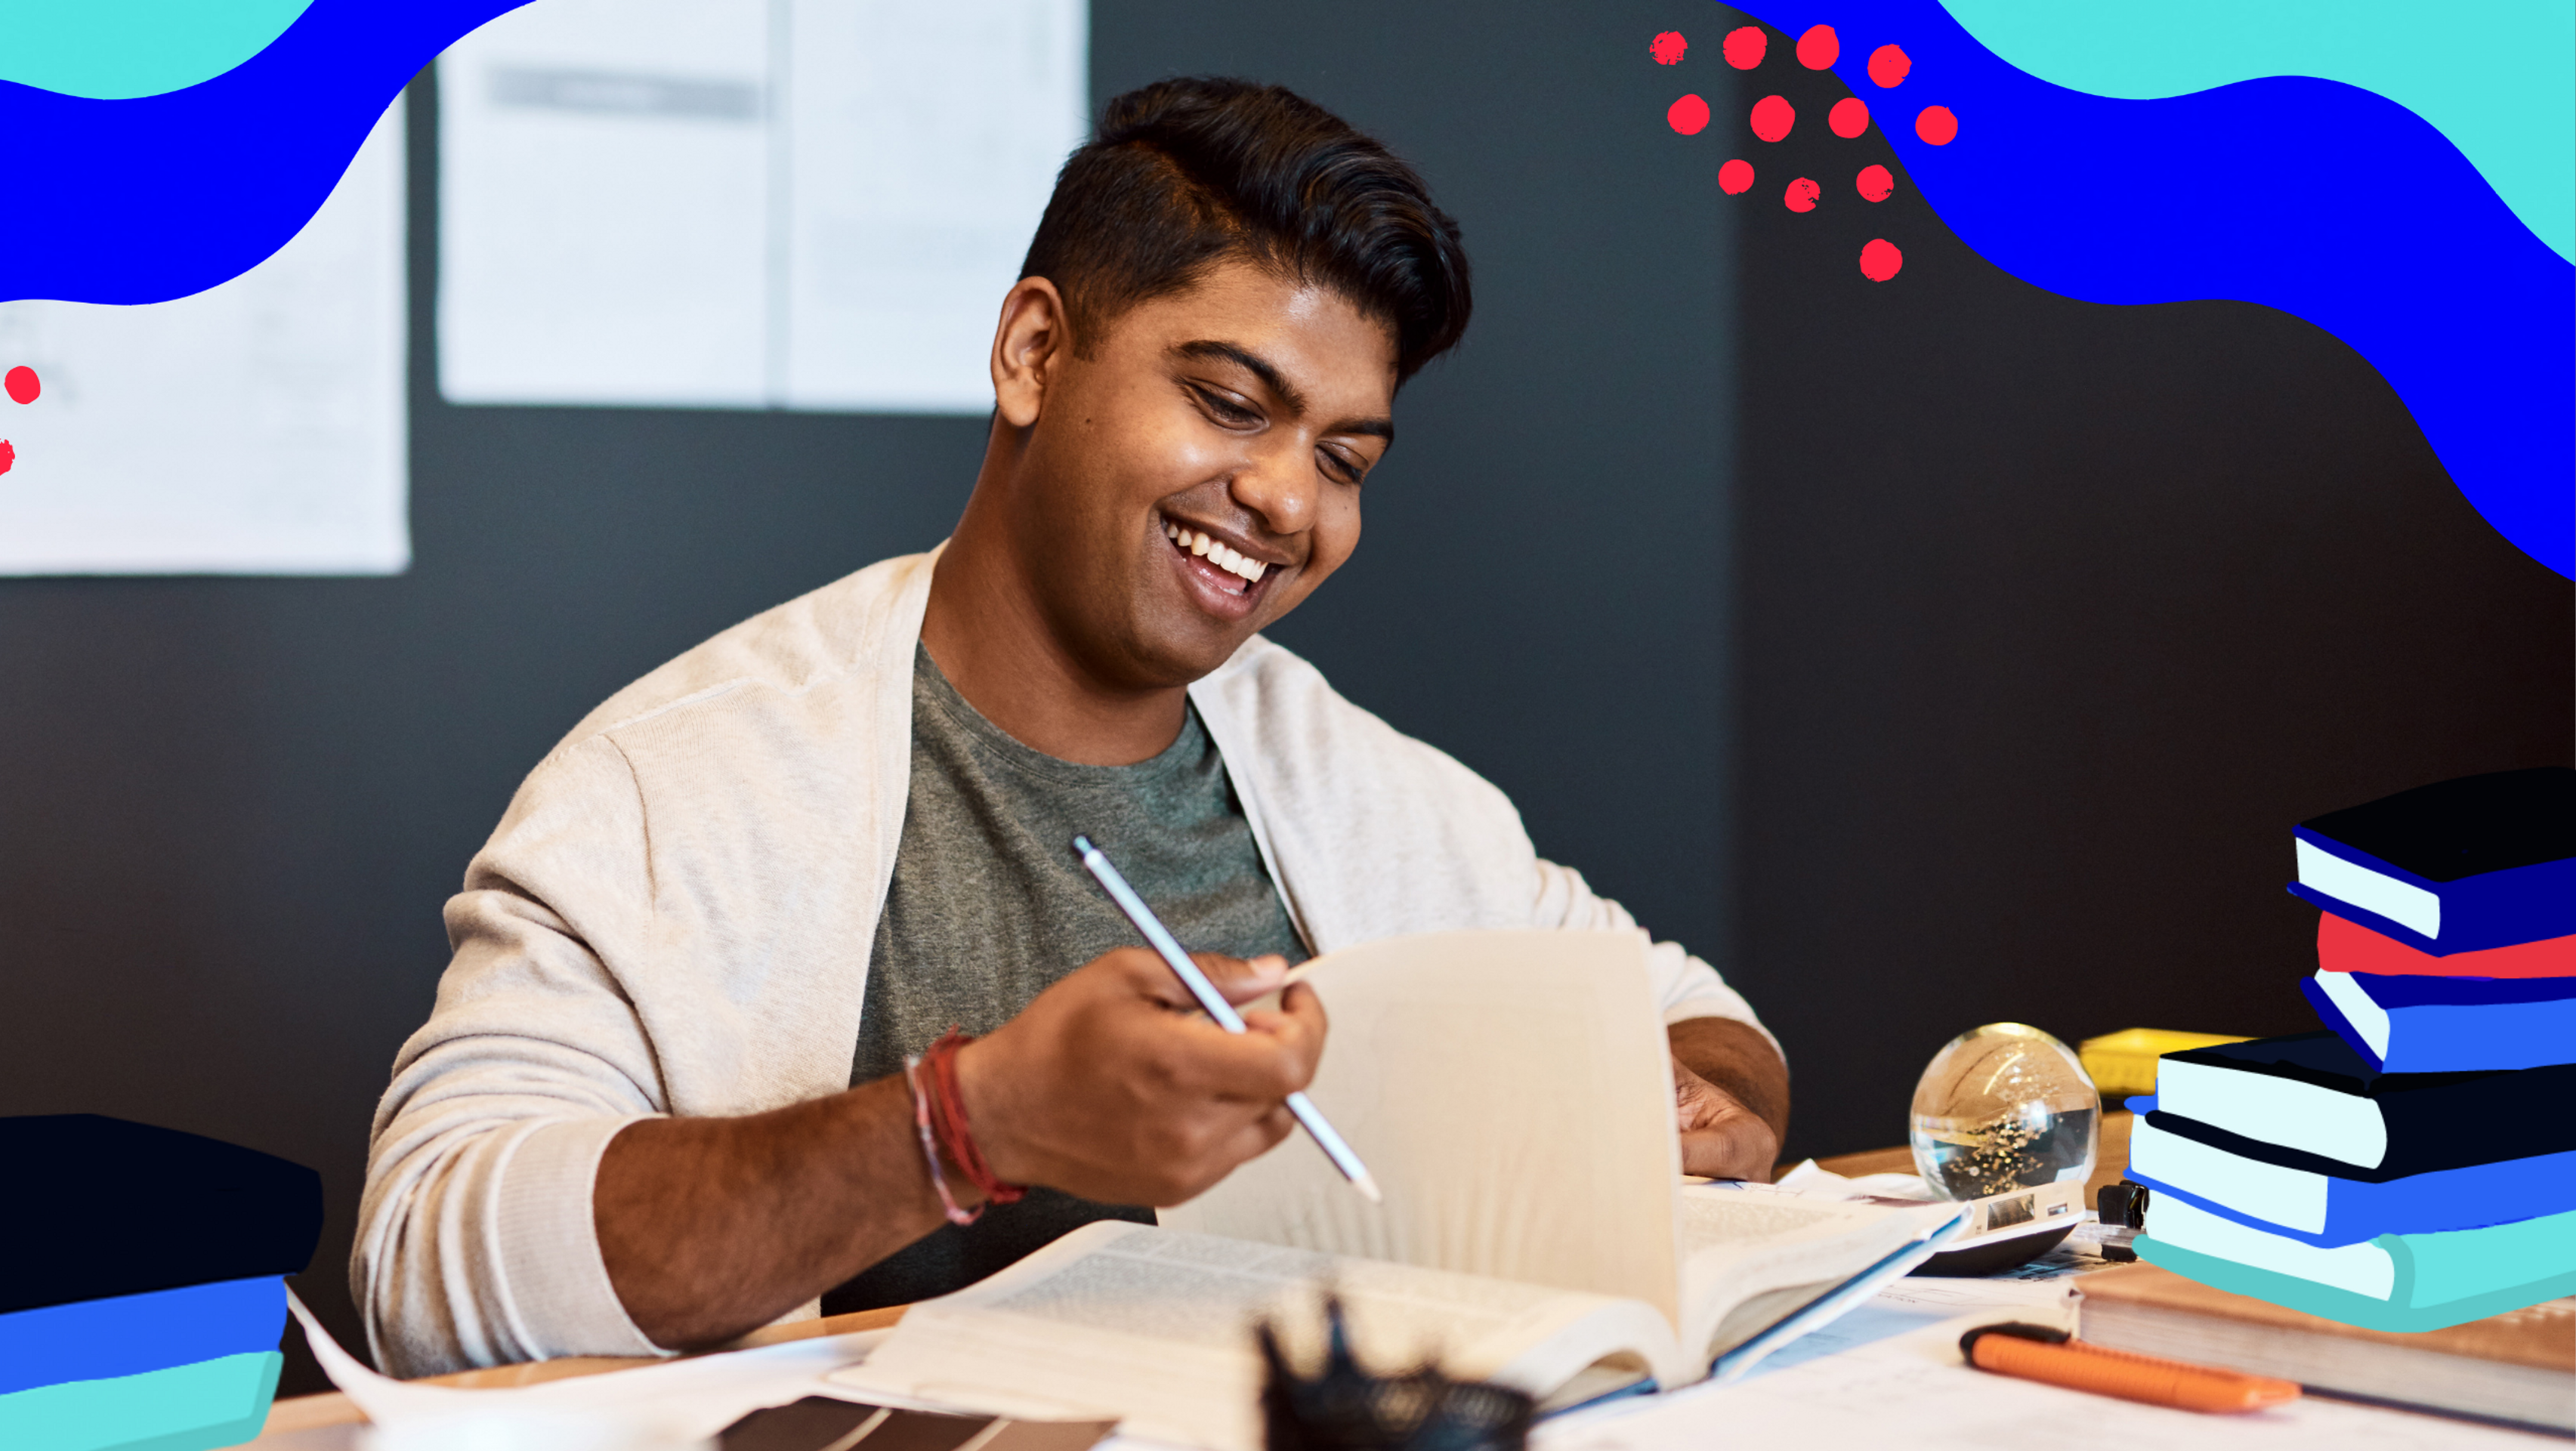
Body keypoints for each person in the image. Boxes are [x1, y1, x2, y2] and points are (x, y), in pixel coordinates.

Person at [355, 76, 1788, 1377]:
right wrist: (965, 1126)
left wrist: (1689, 1099)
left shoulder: (1354, 785)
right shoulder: (678, 782)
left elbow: (1696, 1020)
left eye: (1345, 459)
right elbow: (428, 1264)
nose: (1291, 504)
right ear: (1036, 352)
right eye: (1232, 403)